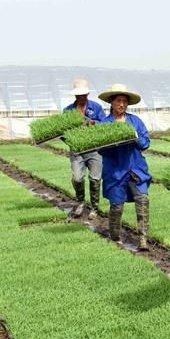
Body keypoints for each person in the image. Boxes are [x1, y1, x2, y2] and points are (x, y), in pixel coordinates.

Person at [97, 84, 151, 250]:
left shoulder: (135, 122)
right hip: (115, 171)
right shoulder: (105, 124)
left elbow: (145, 143)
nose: (122, 104)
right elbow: (99, 148)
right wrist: (112, 141)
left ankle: (143, 239)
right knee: (117, 206)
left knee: (142, 200)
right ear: (111, 103)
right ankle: (115, 237)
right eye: (118, 100)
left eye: (125, 101)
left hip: (136, 170)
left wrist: (134, 136)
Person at [64, 79, 106, 219]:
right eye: (78, 95)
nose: (81, 97)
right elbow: (62, 132)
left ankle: (94, 207)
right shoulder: (68, 111)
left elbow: (105, 125)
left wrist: (92, 122)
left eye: (83, 94)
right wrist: (71, 141)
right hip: (77, 150)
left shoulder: (96, 107)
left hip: (95, 149)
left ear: (87, 94)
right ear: (75, 95)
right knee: (77, 178)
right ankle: (80, 201)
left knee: (95, 179)